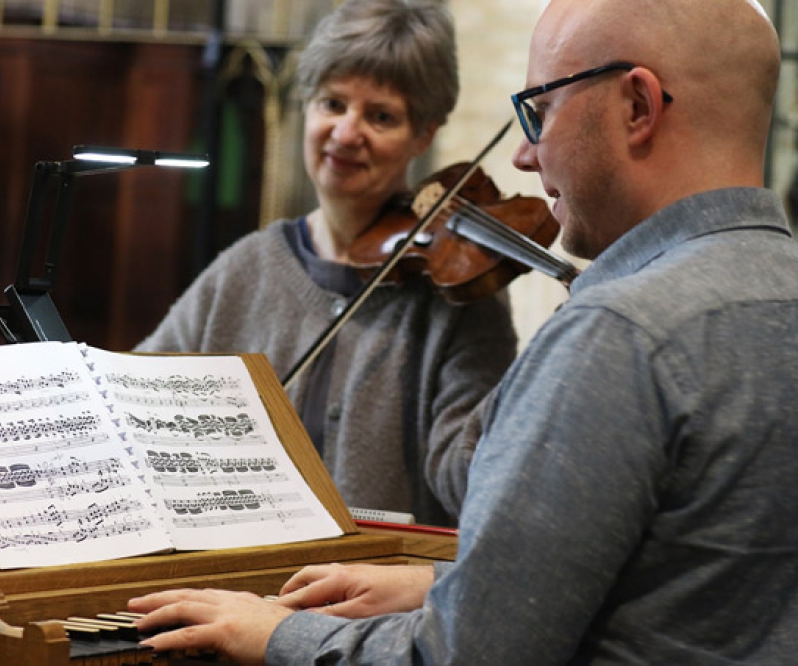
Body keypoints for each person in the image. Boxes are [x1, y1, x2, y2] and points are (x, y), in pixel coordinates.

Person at [125, 0, 798, 662]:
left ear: (638, 107)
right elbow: (673, 578)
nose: (526, 156)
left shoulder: (618, 331)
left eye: (543, 109)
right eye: (332, 103)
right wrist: (439, 584)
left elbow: (461, 653)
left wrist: (273, 636)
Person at [135, 0, 517, 526]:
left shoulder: (455, 292)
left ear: (424, 136)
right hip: (235, 583)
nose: (345, 132)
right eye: (332, 104)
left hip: (376, 597)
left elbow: (470, 481)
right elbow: (138, 405)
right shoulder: (244, 269)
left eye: (380, 116)